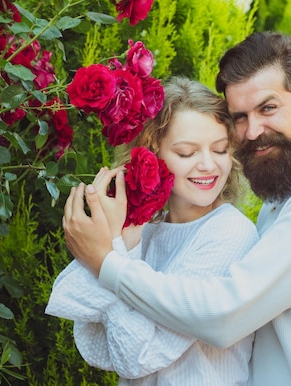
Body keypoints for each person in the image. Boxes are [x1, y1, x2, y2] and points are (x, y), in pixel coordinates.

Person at [61, 32, 291, 385]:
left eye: (268, 108)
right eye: (240, 117)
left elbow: (225, 315)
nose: (253, 130)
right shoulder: (285, 200)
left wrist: (107, 263)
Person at [46, 77, 259, 385]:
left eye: (221, 149)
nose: (209, 165)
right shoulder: (147, 228)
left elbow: (138, 357)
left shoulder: (229, 233)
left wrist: (106, 258)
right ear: (152, 152)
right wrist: (125, 240)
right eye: (187, 153)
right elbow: (98, 345)